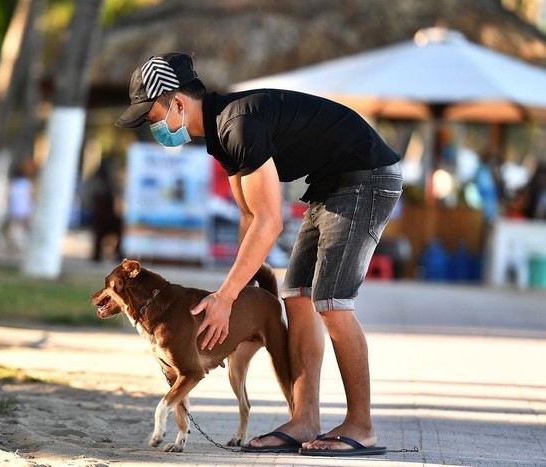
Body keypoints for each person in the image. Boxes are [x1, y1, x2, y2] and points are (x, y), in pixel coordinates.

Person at [115, 52, 402, 456]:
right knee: (297, 296)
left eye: (151, 115)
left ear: (177, 103)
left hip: (366, 180)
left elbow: (270, 221)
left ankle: (362, 426)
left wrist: (226, 296)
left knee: (332, 303)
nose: (152, 126)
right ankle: (304, 421)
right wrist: (232, 295)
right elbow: (249, 217)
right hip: (330, 187)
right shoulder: (221, 135)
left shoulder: (238, 125)